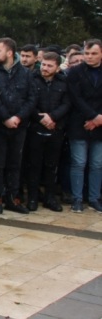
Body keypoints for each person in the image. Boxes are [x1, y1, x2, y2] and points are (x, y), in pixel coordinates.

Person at [0, 37, 36, 214]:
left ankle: (13, 198)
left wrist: (18, 117)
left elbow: (31, 98)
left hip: (19, 126)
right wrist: (6, 118)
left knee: (15, 163)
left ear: (9, 53)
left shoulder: (26, 73)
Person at [27, 52, 69, 212]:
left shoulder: (64, 82)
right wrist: (41, 118)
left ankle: (50, 198)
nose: (45, 68)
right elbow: (29, 101)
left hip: (55, 128)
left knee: (52, 165)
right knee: (34, 165)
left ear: (57, 68)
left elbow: (67, 103)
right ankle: (32, 197)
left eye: (50, 66)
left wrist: (52, 117)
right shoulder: (32, 79)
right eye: (43, 64)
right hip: (35, 128)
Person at [66, 39, 102, 213]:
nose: (89, 57)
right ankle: (77, 199)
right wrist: (93, 116)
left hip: (100, 124)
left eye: (93, 53)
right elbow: (75, 97)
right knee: (79, 163)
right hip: (79, 122)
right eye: (87, 53)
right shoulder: (75, 72)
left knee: (97, 163)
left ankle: (94, 198)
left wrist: (99, 118)